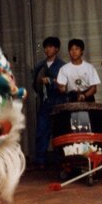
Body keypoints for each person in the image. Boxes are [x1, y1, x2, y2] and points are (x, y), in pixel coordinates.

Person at [30, 36, 65, 169]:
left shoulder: (63, 66)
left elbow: (65, 85)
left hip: (59, 102)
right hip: (45, 103)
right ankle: (40, 160)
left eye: (51, 46)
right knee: (42, 130)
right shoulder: (39, 66)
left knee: (59, 131)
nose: (47, 49)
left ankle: (61, 160)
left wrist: (51, 82)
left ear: (56, 49)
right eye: (46, 46)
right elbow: (35, 84)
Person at [56, 38, 100, 102]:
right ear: (69, 51)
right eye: (71, 49)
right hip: (71, 97)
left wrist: (84, 96)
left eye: (77, 49)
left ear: (82, 51)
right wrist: (61, 88)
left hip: (87, 96)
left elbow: (94, 88)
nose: (74, 52)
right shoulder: (64, 69)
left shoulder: (90, 67)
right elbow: (62, 89)